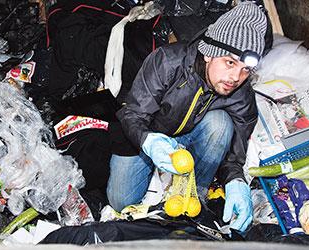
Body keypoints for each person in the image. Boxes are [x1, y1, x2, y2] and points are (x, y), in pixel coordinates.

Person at [107, 2, 267, 233]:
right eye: (230, 63)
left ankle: (194, 194)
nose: (235, 77)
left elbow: (235, 155)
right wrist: (149, 142)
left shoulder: (241, 95)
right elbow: (133, 113)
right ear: (209, 54)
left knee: (221, 124)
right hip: (145, 137)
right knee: (121, 202)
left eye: (245, 69)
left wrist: (236, 182)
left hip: (189, 138)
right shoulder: (167, 62)